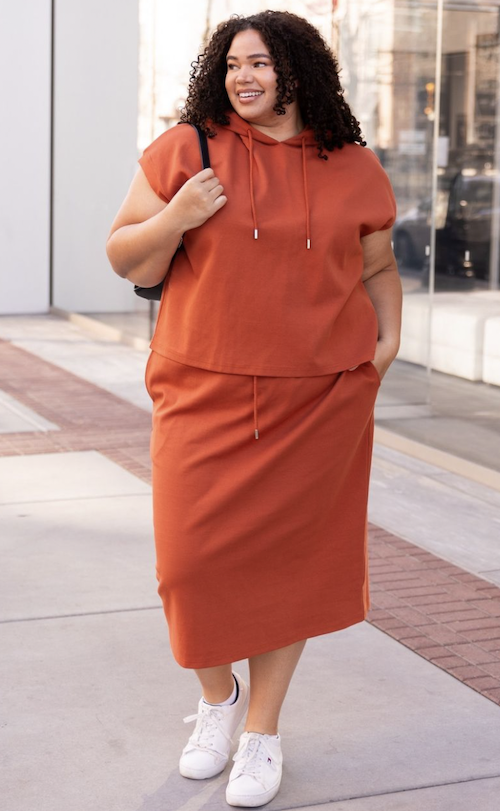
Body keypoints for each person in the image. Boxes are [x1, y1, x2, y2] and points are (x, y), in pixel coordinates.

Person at [106, 9, 402, 808]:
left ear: (298, 72)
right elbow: (123, 251)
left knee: (289, 575)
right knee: (187, 568)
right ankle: (217, 702)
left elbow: (378, 268)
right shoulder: (187, 149)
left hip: (319, 403)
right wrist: (177, 216)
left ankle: (262, 733)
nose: (245, 75)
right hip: (203, 392)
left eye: (262, 63)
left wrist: (387, 345)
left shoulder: (353, 167)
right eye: (234, 63)